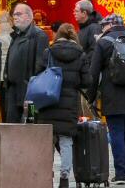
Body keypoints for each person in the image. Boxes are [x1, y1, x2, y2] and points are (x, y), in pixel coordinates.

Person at [87, 14, 125, 184]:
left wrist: (90, 97)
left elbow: (93, 73)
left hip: (112, 95)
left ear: (108, 26)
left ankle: (121, 172)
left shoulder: (103, 43)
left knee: (116, 132)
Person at [38, 24, 90, 188]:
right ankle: (64, 178)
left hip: (48, 102)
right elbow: (87, 81)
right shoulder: (80, 54)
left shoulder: (49, 52)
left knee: (49, 140)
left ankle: (47, 176)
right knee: (66, 141)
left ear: (57, 35)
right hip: (69, 104)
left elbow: (38, 74)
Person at [4, 3, 49, 123]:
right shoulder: (16, 35)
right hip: (14, 90)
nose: (15, 17)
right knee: (11, 124)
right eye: (14, 15)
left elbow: (41, 65)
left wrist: (31, 87)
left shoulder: (39, 36)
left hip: (30, 92)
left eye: (18, 14)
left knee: (31, 124)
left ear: (29, 17)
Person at [0, 10, 12, 121]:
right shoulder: (12, 33)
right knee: (8, 101)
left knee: (3, 101)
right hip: (10, 73)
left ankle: (5, 122)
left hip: (0, 73)